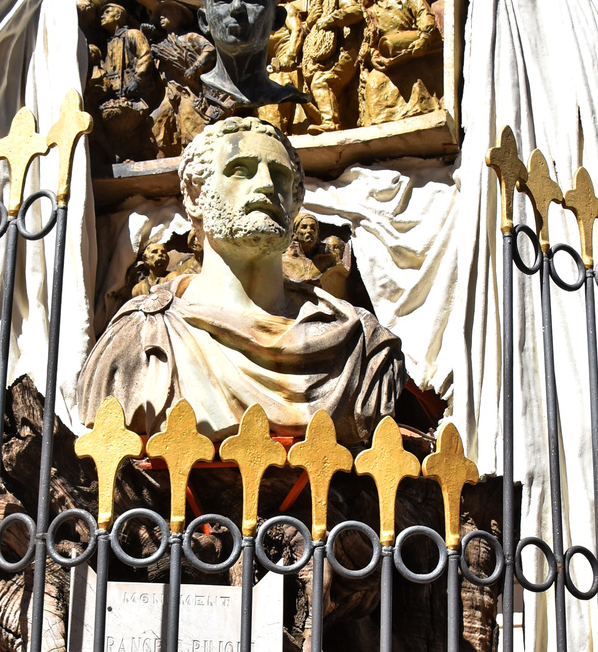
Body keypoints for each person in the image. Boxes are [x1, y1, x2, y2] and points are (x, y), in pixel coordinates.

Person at [75, 116, 405, 439]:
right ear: (194, 196)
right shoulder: (138, 338)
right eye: (240, 170)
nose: (265, 185)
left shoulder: (359, 347)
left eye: (279, 175)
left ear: (294, 202)